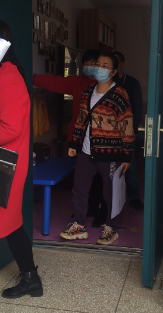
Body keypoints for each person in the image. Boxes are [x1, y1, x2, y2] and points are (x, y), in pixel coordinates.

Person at [0, 20, 42, 299]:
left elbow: (10, 128)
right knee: (11, 224)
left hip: (4, 165)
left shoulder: (9, 75)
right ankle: (31, 279)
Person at [61, 52, 135, 245]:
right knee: (79, 189)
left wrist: (126, 156)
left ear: (113, 72)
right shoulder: (88, 92)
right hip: (86, 151)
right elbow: (81, 119)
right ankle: (79, 226)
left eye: (105, 65)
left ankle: (111, 228)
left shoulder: (120, 94)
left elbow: (127, 125)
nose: (99, 68)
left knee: (111, 193)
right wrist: (74, 144)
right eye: (97, 64)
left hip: (110, 154)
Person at [33, 49, 108, 227]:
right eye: (86, 63)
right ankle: (82, 213)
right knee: (82, 179)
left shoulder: (108, 86)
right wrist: (31, 76)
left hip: (103, 141)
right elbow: (54, 82)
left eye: (93, 63)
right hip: (80, 138)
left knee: (101, 179)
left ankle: (98, 211)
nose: (89, 66)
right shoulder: (77, 82)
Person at [114, 51, 144, 211]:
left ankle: (134, 197)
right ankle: (110, 199)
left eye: (116, 61)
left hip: (127, 131)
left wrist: (133, 129)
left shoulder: (132, 83)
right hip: (108, 132)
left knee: (130, 165)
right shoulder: (105, 83)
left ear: (122, 64)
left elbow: (138, 108)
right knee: (108, 166)